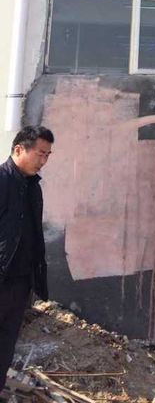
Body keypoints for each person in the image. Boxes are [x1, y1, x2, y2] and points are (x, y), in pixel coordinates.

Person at [0, 126, 54, 392]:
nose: (43, 161)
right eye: (40, 153)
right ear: (19, 149)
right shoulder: (2, 181)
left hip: (20, 284)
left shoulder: (33, 188)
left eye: (48, 155)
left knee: (5, 345)